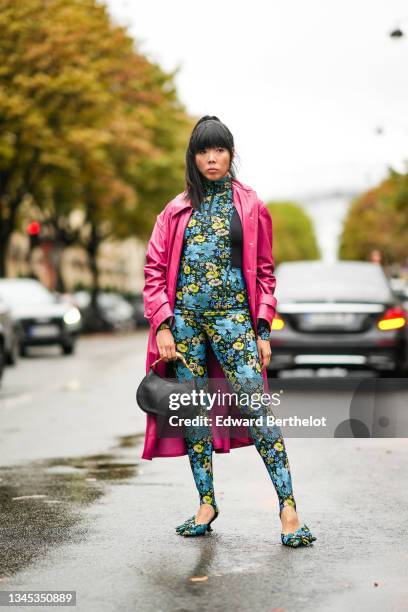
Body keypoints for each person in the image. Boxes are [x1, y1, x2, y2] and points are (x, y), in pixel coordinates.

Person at [142, 116, 316, 547]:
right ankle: (206, 503)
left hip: (234, 321)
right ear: (194, 157)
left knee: (257, 410)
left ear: (231, 154)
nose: (212, 158)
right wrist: (163, 322)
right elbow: (154, 270)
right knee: (194, 416)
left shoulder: (251, 205)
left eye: (219, 150)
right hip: (184, 326)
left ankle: (289, 508)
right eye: (203, 151)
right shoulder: (175, 209)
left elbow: (264, 274)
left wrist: (263, 329)